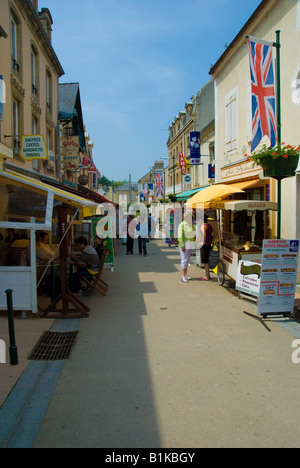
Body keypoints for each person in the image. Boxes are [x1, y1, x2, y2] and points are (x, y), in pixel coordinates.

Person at [178, 210, 196, 283]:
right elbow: (179, 236)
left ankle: (185, 274)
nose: (189, 218)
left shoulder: (191, 225)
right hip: (184, 243)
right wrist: (182, 245)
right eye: (187, 216)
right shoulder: (182, 224)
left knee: (187, 259)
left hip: (190, 243)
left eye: (190, 216)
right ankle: (182, 275)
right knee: (184, 259)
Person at [200, 214, 213, 281]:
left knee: (205, 261)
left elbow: (204, 233)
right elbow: (213, 234)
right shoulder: (209, 225)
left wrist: (203, 241)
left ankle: (206, 276)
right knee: (207, 260)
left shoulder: (203, 226)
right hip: (209, 244)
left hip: (205, 245)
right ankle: (208, 275)